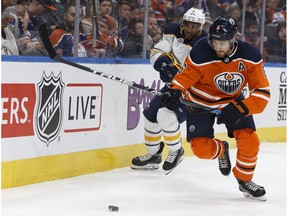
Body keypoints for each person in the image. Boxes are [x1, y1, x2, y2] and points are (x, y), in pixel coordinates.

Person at [161, 16, 270, 200]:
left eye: (223, 43)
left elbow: (262, 94)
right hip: (200, 102)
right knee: (201, 150)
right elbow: (185, 76)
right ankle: (221, 150)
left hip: (233, 102)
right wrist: (175, 90)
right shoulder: (202, 49)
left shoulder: (250, 56)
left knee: (251, 141)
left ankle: (244, 180)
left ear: (234, 39)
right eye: (215, 42)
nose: (218, 47)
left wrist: (239, 108)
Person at [131, 8, 207, 172]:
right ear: (183, 23)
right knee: (150, 116)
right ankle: (154, 155)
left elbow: (200, 73)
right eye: (188, 24)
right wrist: (163, 65)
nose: (190, 29)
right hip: (174, 86)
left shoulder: (205, 44)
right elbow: (158, 51)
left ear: (200, 27)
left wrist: (177, 79)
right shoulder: (173, 33)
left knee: (165, 115)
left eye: (194, 26)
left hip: (192, 92)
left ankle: (176, 151)